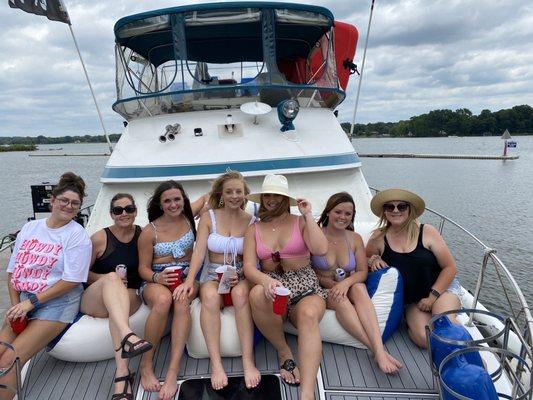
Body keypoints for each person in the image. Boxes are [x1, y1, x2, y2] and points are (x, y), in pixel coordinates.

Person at [0, 172, 92, 400]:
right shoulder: (31, 229)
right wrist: (16, 307)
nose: (69, 206)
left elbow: (72, 280)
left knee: (9, 359)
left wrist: (29, 304)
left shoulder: (77, 236)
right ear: (53, 201)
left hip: (57, 303)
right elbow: (13, 271)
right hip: (26, 301)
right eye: (64, 201)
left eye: (75, 203)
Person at [243, 174, 328, 400]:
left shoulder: (300, 221)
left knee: (309, 314)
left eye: (277, 195)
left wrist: (308, 214)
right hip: (273, 286)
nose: (271, 199)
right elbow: (249, 267)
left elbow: (320, 249)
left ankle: (307, 392)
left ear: (284, 198)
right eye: (267, 195)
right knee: (256, 292)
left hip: (305, 288)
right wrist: (266, 281)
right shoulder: (254, 229)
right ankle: (284, 352)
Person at [177, 171, 260, 390]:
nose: (234, 196)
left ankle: (247, 361)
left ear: (245, 195)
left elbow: (252, 258)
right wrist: (189, 280)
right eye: (229, 192)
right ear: (221, 194)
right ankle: (216, 364)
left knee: (241, 294)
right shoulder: (209, 217)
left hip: (241, 272)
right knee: (210, 296)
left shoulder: (252, 221)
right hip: (213, 273)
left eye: (239, 192)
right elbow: (199, 251)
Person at [312, 192, 402, 374]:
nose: (343, 217)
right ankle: (378, 351)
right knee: (341, 300)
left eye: (348, 214)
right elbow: (306, 270)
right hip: (321, 288)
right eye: (338, 212)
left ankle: (378, 350)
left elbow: (362, 272)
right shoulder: (315, 234)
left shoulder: (354, 239)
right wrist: (330, 284)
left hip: (346, 284)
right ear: (328, 212)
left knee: (360, 288)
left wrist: (345, 284)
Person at [366, 188, 462, 348]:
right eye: (390, 207)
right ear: (384, 211)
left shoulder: (427, 232)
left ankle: (475, 360)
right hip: (412, 300)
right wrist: (374, 259)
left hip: (440, 290)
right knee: (424, 339)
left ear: (410, 210)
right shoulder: (378, 237)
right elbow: (364, 257)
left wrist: (432, 297)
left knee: (444, 325)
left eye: (401, 206)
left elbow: (450, 267)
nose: (395, 210)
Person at [80, 193, 152, 400]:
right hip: (95, 297)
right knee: (112, 279)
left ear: (135, 211)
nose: (124, 214)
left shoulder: (143, 235)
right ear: (111, 214)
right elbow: (81, 274)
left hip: (129, 295)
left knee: (118, 307)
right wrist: (107, 279)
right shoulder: (100, 238)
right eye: (118, 210)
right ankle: (128, 336)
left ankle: (122, 374)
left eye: (129, 209)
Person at [137, 181, 205, 400]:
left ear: (183, 199)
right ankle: (146, 365)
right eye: (167, 200)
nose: (173, 204)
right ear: (160, 203)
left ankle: (172, 370)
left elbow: (207, 197)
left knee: (182, 301)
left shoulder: (188, 217)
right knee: (164, 301)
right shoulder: (149, 232)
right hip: (156, 278)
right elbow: (142, 269)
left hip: (187, 277)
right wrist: (158, 277)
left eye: (178, 199)